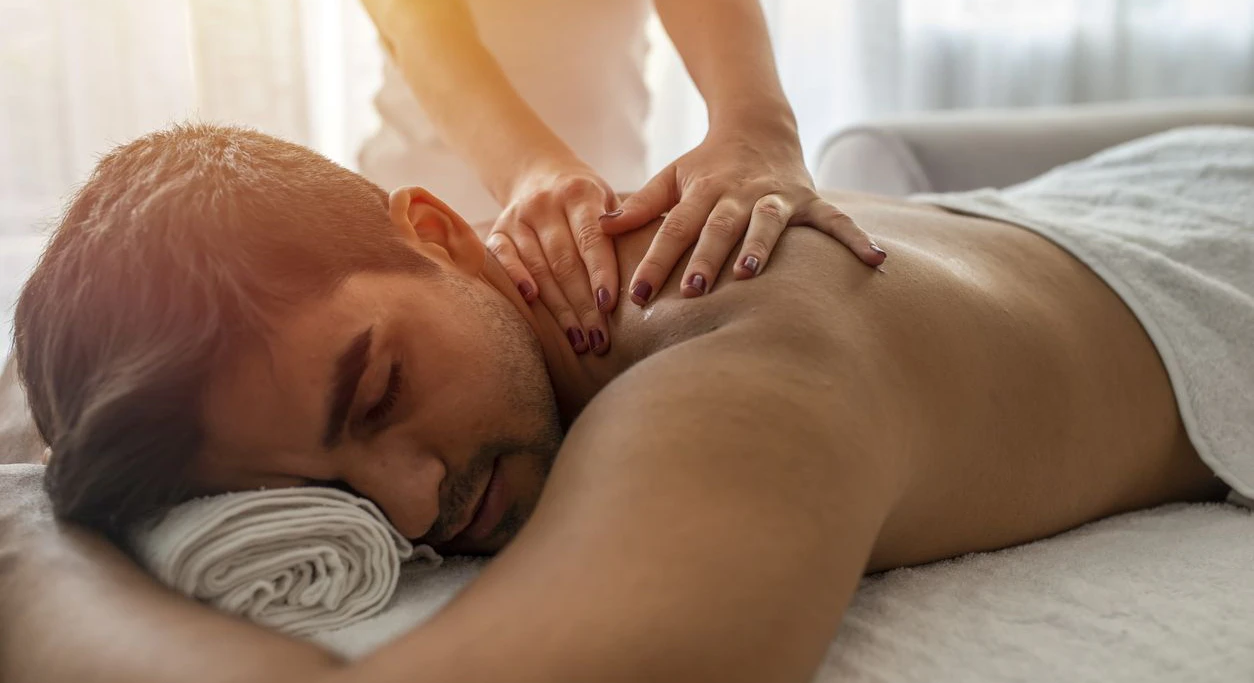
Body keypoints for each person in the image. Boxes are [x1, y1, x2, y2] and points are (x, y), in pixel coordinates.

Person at [2, 123, 1252, 683]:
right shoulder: (562, 286)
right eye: (321, 496)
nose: (414, 506)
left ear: (438, 231)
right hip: (1092, 203)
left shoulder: (732, 357)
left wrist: (22, 549)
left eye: (377, 393)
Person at [350, 0, 887, 356]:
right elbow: (413, 18)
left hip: (610, 195)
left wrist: (760, 132)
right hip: (438, 209)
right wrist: (528, 171)